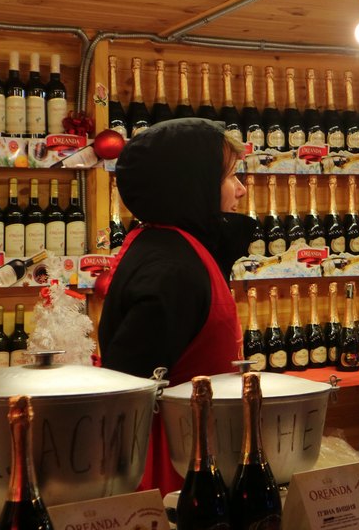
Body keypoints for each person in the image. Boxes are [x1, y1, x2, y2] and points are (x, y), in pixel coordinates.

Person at [98, 118, 258, 493]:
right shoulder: (172, 270)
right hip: (174, 474)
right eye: (229, 176)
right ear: (192, 185)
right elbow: (129, 391)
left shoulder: (173, 246)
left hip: (198, 453)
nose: (241, 189)